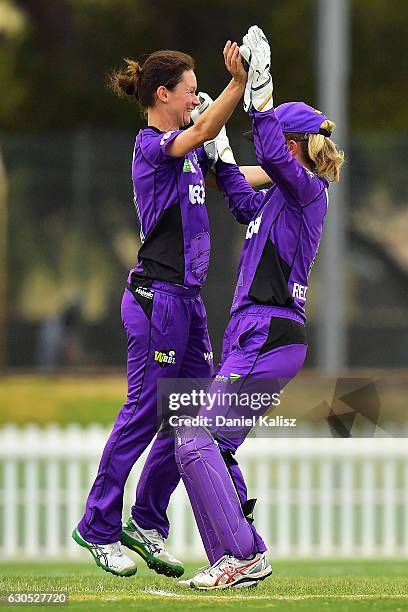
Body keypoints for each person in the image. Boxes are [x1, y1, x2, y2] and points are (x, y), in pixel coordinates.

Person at [72, 41, 268, 578]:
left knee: (191, 419)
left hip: (188, 304)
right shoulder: (151, 146)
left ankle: (148, 523)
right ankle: (98, 527)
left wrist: (292, 171)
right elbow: (202, 131)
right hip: (156, 299)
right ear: (164, 94)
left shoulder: (190, 150)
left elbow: (235, 172)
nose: (195, 99)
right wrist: (235, 85)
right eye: (189, 91)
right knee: (145, 410)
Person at [174, 26, 344, 590]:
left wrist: (259, 91)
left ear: (293, 149)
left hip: (267, 334)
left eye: (277, 140)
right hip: (259, 334)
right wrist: (217, 138)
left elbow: (269, 149)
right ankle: (237, 555)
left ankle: (244, 555)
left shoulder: (307, 191)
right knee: (200, 442)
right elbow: (234, 191)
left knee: (198, 439)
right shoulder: (281, 197)